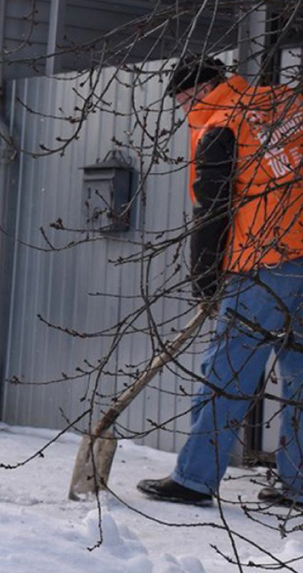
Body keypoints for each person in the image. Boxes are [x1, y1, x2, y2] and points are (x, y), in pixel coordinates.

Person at [136, 55, 303, 508]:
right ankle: (300, 483)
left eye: (181, 100)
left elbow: (212, 210)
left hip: (262, 263)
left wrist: (206, 280)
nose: (183, 109)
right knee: (301, 376)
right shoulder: (287, 104)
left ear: (194, 91)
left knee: (227, 374)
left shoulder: (221, 124)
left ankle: (194, 479)